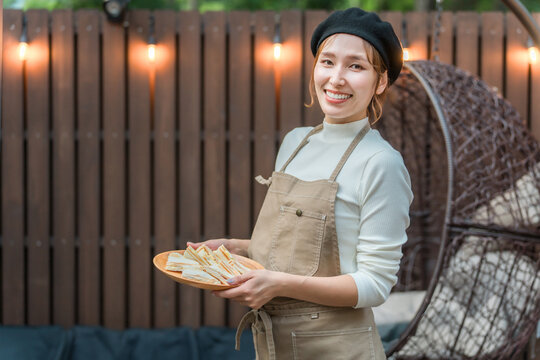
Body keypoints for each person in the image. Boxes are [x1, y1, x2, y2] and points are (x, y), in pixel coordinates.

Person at [188, 7, 413, 360]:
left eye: (356, 66)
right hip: (275, 346)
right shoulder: (296, 143)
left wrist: (278, 284)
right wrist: (240, 248)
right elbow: (308, 246)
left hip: (340, 347)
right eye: (327, 62)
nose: (336, 78)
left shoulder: (381, 163)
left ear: (380, 81)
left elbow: (374, 284)